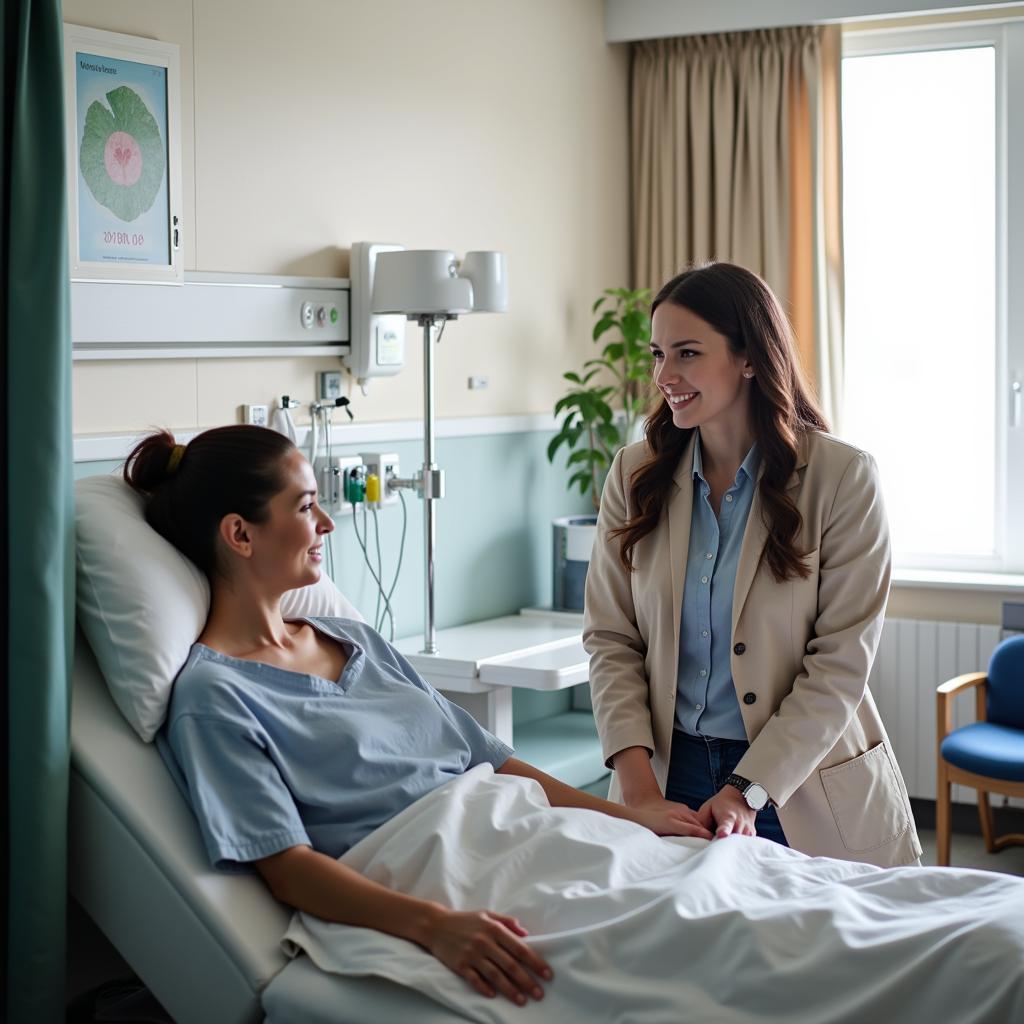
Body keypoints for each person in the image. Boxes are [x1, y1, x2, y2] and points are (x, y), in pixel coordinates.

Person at [122, 425, 715, 1009]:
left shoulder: (353, 639)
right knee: (701, 949)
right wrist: (436, 927)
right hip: (447, 873)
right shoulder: (215, 698)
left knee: (717, 894)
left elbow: (492, 758)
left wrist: (629, 818)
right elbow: (288, 867)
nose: (327, 523)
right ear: (239, 534)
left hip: (530, 834)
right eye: (305, 507)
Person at [583, 262, 921, 868]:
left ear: (749, 357)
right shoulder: (633, 476)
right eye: (657, 354)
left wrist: (747, 788)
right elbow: (611, 639)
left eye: (686, 353)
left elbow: (840, 664)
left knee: (824, 955)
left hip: (798, 778)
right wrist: (638, 791)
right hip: (666, 777)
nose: (665, 375)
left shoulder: (843, 479)